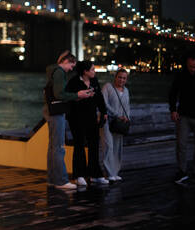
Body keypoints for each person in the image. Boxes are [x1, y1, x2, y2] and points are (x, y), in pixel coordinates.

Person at [43, 50, 90, 190]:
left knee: (52, 147)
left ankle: (52, 179)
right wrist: (78, 94)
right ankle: (61, 180)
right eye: (71, 66)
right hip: (56, 112)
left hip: (49, 110)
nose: (71, 69)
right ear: (66, 62)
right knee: (58, 147)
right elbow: (59, 94)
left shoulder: (52, 71)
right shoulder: (59, 73)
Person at [65, 61, 108, 186]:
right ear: (85, 71)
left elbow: (99, 97)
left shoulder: (94, 81)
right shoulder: (74, 82)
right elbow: (69, 99)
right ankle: (79, 175)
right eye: (92, 69)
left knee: (94, 145)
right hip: (76, 118)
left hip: (91, 118)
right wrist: (80, 97)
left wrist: (103, 111)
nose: (94, 71)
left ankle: (95, 175)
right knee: (79, 145)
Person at [169, 52, 195, 184]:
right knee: (181, 144)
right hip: (184, 115)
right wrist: (173, 110)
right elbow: (173, 93)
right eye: (191, 67)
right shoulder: (181, 75)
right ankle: (182, 171)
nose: (193, 69)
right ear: (187, 64)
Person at [100, 68, 130, 182]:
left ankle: (115, 172)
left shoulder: (126, 90)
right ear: (115, 77)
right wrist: (117, 114)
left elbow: (127, 107)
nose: (121, 80)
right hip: (107, 120)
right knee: (108, 146)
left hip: (119, 123)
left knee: (117, 147)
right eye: (120, 77)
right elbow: (104, 104)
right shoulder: (108, 87)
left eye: (124, 78)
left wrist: (127, 118)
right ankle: (108, 173)